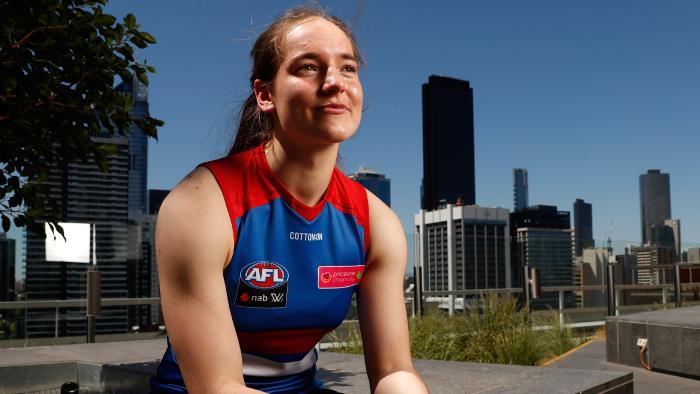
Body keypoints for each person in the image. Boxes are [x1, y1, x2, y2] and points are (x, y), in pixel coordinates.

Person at [150, 7, 429, 394]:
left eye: (348, 68)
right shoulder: (200, 204)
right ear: (265, 94)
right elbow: (218, 388)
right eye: (309, 67)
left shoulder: (375, 221)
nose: (334, 82)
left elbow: (394, 371)